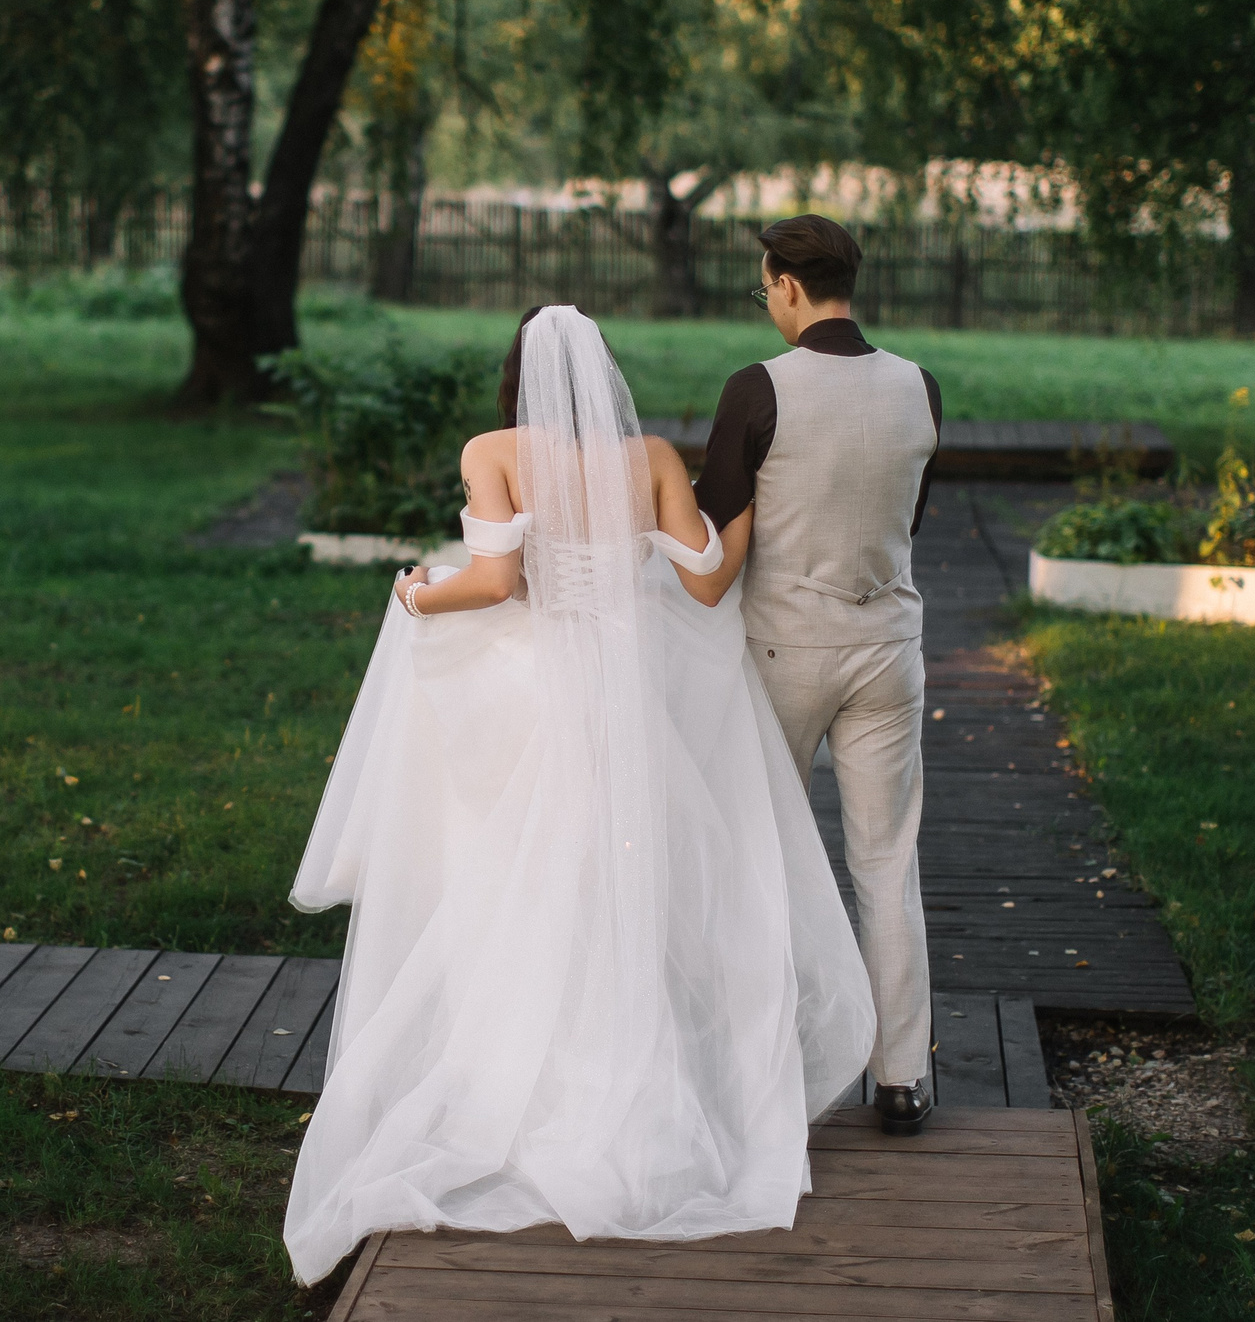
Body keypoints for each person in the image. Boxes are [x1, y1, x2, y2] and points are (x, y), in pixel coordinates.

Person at [280, 304, 875, 1287]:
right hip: (632, 701)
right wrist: (749, 515)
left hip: (539, 693)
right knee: (626, 876)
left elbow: (494, 583)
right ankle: (637, 1087)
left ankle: (521, 1079)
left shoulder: (493, 450)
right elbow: (704, 587)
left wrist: (414, 593)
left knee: (525, 875)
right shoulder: (647, 457)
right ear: (603, 371)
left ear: (517, 371)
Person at [691, 214, 941, 1135]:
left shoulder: (760, 389)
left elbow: (715, 528)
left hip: (783, 650)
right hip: (888, 649)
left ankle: (769, 1060)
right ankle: (903, 1076)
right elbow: (908, 514)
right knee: (887, 863)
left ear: (787, 284)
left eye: (765, 287)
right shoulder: (921, 387)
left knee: (767, 859)